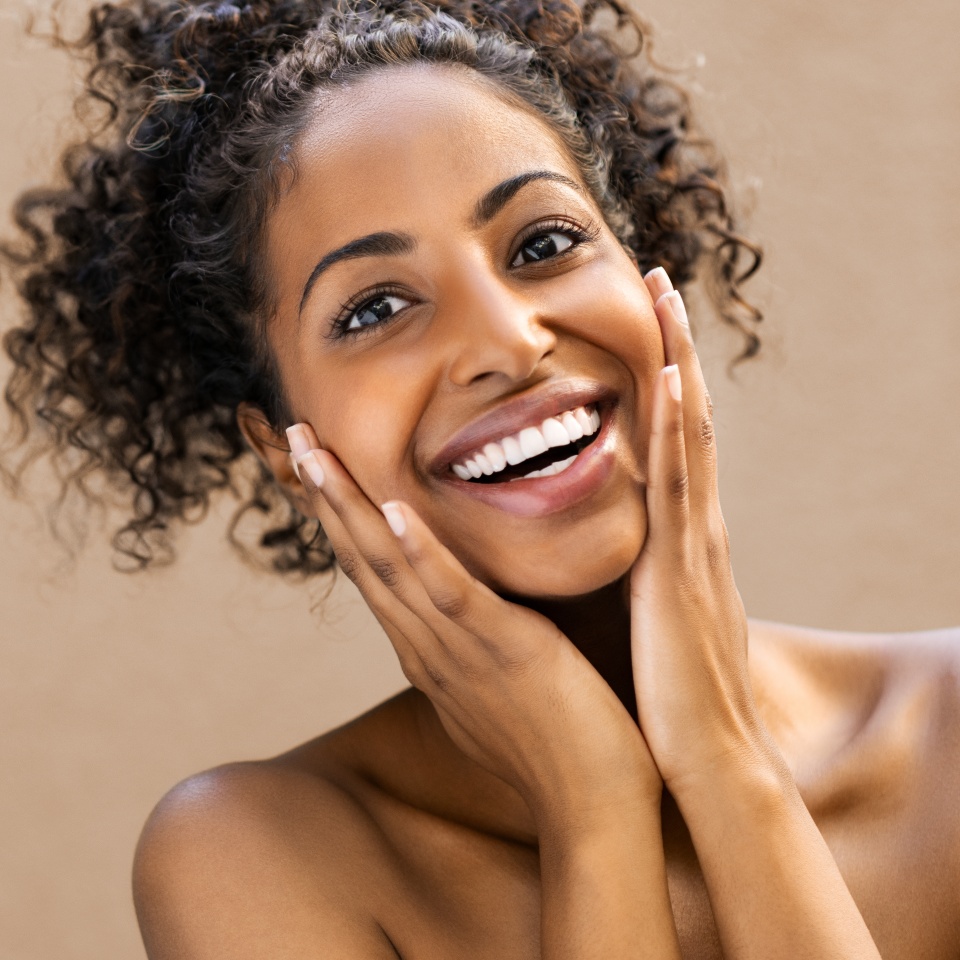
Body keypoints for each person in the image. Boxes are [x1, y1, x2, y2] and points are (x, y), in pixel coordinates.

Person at [2, 0, 957, 956]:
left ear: (644, 277)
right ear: (287, 451)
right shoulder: (259, 858)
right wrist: (592, 810)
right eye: (375, 307)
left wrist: (727, 761)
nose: (505, 342)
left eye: (543, 245)